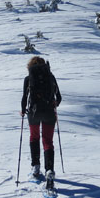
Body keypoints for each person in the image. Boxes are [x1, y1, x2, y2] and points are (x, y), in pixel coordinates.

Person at [21, 56, 62, 190]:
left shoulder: (29, 78)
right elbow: (59, 97)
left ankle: (36, 167)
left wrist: (23, 111)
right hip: (49, 112)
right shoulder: (50, 77)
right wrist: (54, 103)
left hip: (33, 113)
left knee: (34, 138)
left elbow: (24, 98)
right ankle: (49, 170)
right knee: (47, 141)